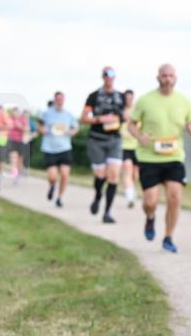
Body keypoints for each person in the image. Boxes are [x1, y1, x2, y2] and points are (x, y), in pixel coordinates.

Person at [128, 64, 191, 253]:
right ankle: (150, 218)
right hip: (149, 158)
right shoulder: (145, 100)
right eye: (164, 75)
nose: (167, 79)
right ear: (158, 77)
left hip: (174, 157)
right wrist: (140, 137)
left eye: (170, 75)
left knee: (175, 196)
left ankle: (168, 237)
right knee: (150, 202)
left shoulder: (184, 101)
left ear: (176, 78)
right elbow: (131, 124)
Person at [81, 67, 126, 223]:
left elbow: (125, 115)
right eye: (106, 75)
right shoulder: (93, 96)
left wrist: (120, 118)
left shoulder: (120, 96)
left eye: (111, 75)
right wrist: (99, 119)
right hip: (97, 140)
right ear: (102, 77)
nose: (109, 77)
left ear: (115, 77)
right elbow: (84, 118)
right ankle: (98, 196)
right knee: (101, 175)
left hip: (114, 139)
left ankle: (107, 212)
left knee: (114, 175)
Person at [39, 91, 79, 208]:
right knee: (52, 176)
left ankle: (59, 198)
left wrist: (71, 132)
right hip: (49, 148)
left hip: (65, 148)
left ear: (64, 100)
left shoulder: (68, 114)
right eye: (58, 99)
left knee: (65, 174)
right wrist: (43, 130)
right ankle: (52, 185)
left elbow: (75, 127)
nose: (60, 101)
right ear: (55, 100)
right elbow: (39, 125)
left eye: (62, 99)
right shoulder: (46, 113)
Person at [119, 89, 140, 209]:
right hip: (124, 146)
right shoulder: (120, 111)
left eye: (130, 98)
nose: (128, 100)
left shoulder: (137, 111)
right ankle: (130, 197)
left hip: (137, 147)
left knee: (135, 175)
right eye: (126, 98)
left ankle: (131, 189)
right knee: (127, 170)